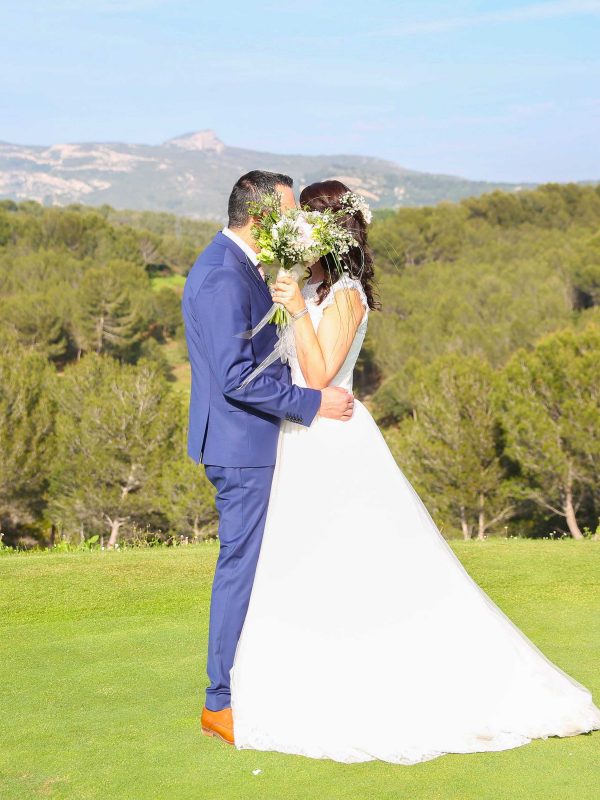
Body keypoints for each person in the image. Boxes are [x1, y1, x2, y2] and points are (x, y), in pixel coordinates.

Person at [229, 179, 600, 764]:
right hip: (302, 436)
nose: (295, 235)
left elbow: (323, 372)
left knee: (358, 562)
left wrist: (296, 306)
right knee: (306, 561)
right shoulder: (319, 285)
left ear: (328, 233)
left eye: (304, 225)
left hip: (333, 434)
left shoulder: (345, 293)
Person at [181, 171, 354, 745]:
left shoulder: (238, 267)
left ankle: (256, 681)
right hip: (240, 445)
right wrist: (310, 402)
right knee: (241, 569)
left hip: (255, 440)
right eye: (284, 214)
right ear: (259, 218)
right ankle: (220, 703)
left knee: (263, 565)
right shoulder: (221, 277)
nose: (292, 226)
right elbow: (234, 379)